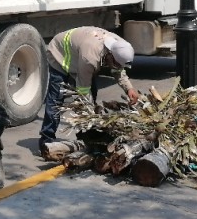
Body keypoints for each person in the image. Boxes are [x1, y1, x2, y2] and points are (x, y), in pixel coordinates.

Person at [39, 26, 139, 159]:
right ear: (109, 54)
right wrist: (89, 112)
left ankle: (87, 134)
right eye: (115, 64)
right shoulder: (90, 56)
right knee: (56, 99)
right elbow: (82, 90)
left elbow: (118, 70)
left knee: (92, 96)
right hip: (59, 54)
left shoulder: (120, 46)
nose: (117, 67)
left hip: (80, 55)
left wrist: (129, 88)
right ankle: (46, 140)